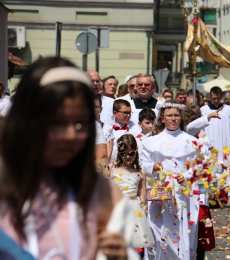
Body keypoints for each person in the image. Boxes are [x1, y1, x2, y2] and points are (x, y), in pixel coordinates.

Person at [0, 57, 127, 259]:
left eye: (80, 124)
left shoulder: (102, 192)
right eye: (57, 123)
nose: (70, 136)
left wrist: (118, 255)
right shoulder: (5, 185)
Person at [141, 103, 199, 260]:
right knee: (157, 228)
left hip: (182, 192)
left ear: (181, 118)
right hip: (160, 191)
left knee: (180, 229)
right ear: (162, 118)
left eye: (176, 115)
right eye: (169, 115)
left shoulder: (191, 141)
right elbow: (143, 163)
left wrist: (186, 175)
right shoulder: (151, 141)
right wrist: (153, 166)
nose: (173, 119)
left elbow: (197, 166)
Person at [110, 134, 154, 259]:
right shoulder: (112, 169)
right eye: (124, 154)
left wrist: (143, 214)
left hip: (134, 210)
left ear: (135, 152)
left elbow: (143, 197)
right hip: (117, 208)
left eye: (131, 153)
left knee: (134, 247)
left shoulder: (139, 173)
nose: (127, 157)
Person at [200, 86, 230, 161]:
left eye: (218, 98)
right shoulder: (203, 110)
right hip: (210, 144)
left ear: (221, 97)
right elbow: (201, 129)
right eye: (214, 98)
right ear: (210, 98)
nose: (216, 100)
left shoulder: (228, 109)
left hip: (225, 144)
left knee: (226, 164)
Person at [103, 99, 136, 165]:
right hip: (111, 166)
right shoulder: (106, 128)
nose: (128, 115)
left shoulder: (135, 127)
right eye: (125, 112)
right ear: (115, 113)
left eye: (129, 113)